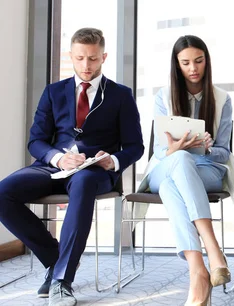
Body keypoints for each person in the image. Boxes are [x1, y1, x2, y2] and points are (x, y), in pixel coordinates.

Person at [0, 28, 144, 306]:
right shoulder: (53, 92)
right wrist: (57, 157)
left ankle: (61, 281)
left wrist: (111, 160)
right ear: (71, 56)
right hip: (54, 166)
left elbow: (135, 146)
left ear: (103, 57)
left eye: (92, 59)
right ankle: (57, 260)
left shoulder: (120, 95)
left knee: (84, 183)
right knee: (3, 193)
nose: (86, 66)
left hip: (94, 171)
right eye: (80, 59)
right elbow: (36, 141)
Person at [136, 35, 233, 306]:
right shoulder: (163, 96)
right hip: (165, 167)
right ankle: (213, 251)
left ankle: (198, 273)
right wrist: (175, 148)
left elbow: (225, 153)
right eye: (186, 63)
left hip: (207, 169)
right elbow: (158, 151)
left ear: (207, 61)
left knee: (173, 185)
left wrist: (209, 147)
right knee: (179, 161)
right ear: (176, 65)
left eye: (199, 61)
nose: (193, 68)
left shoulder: (222, 99)